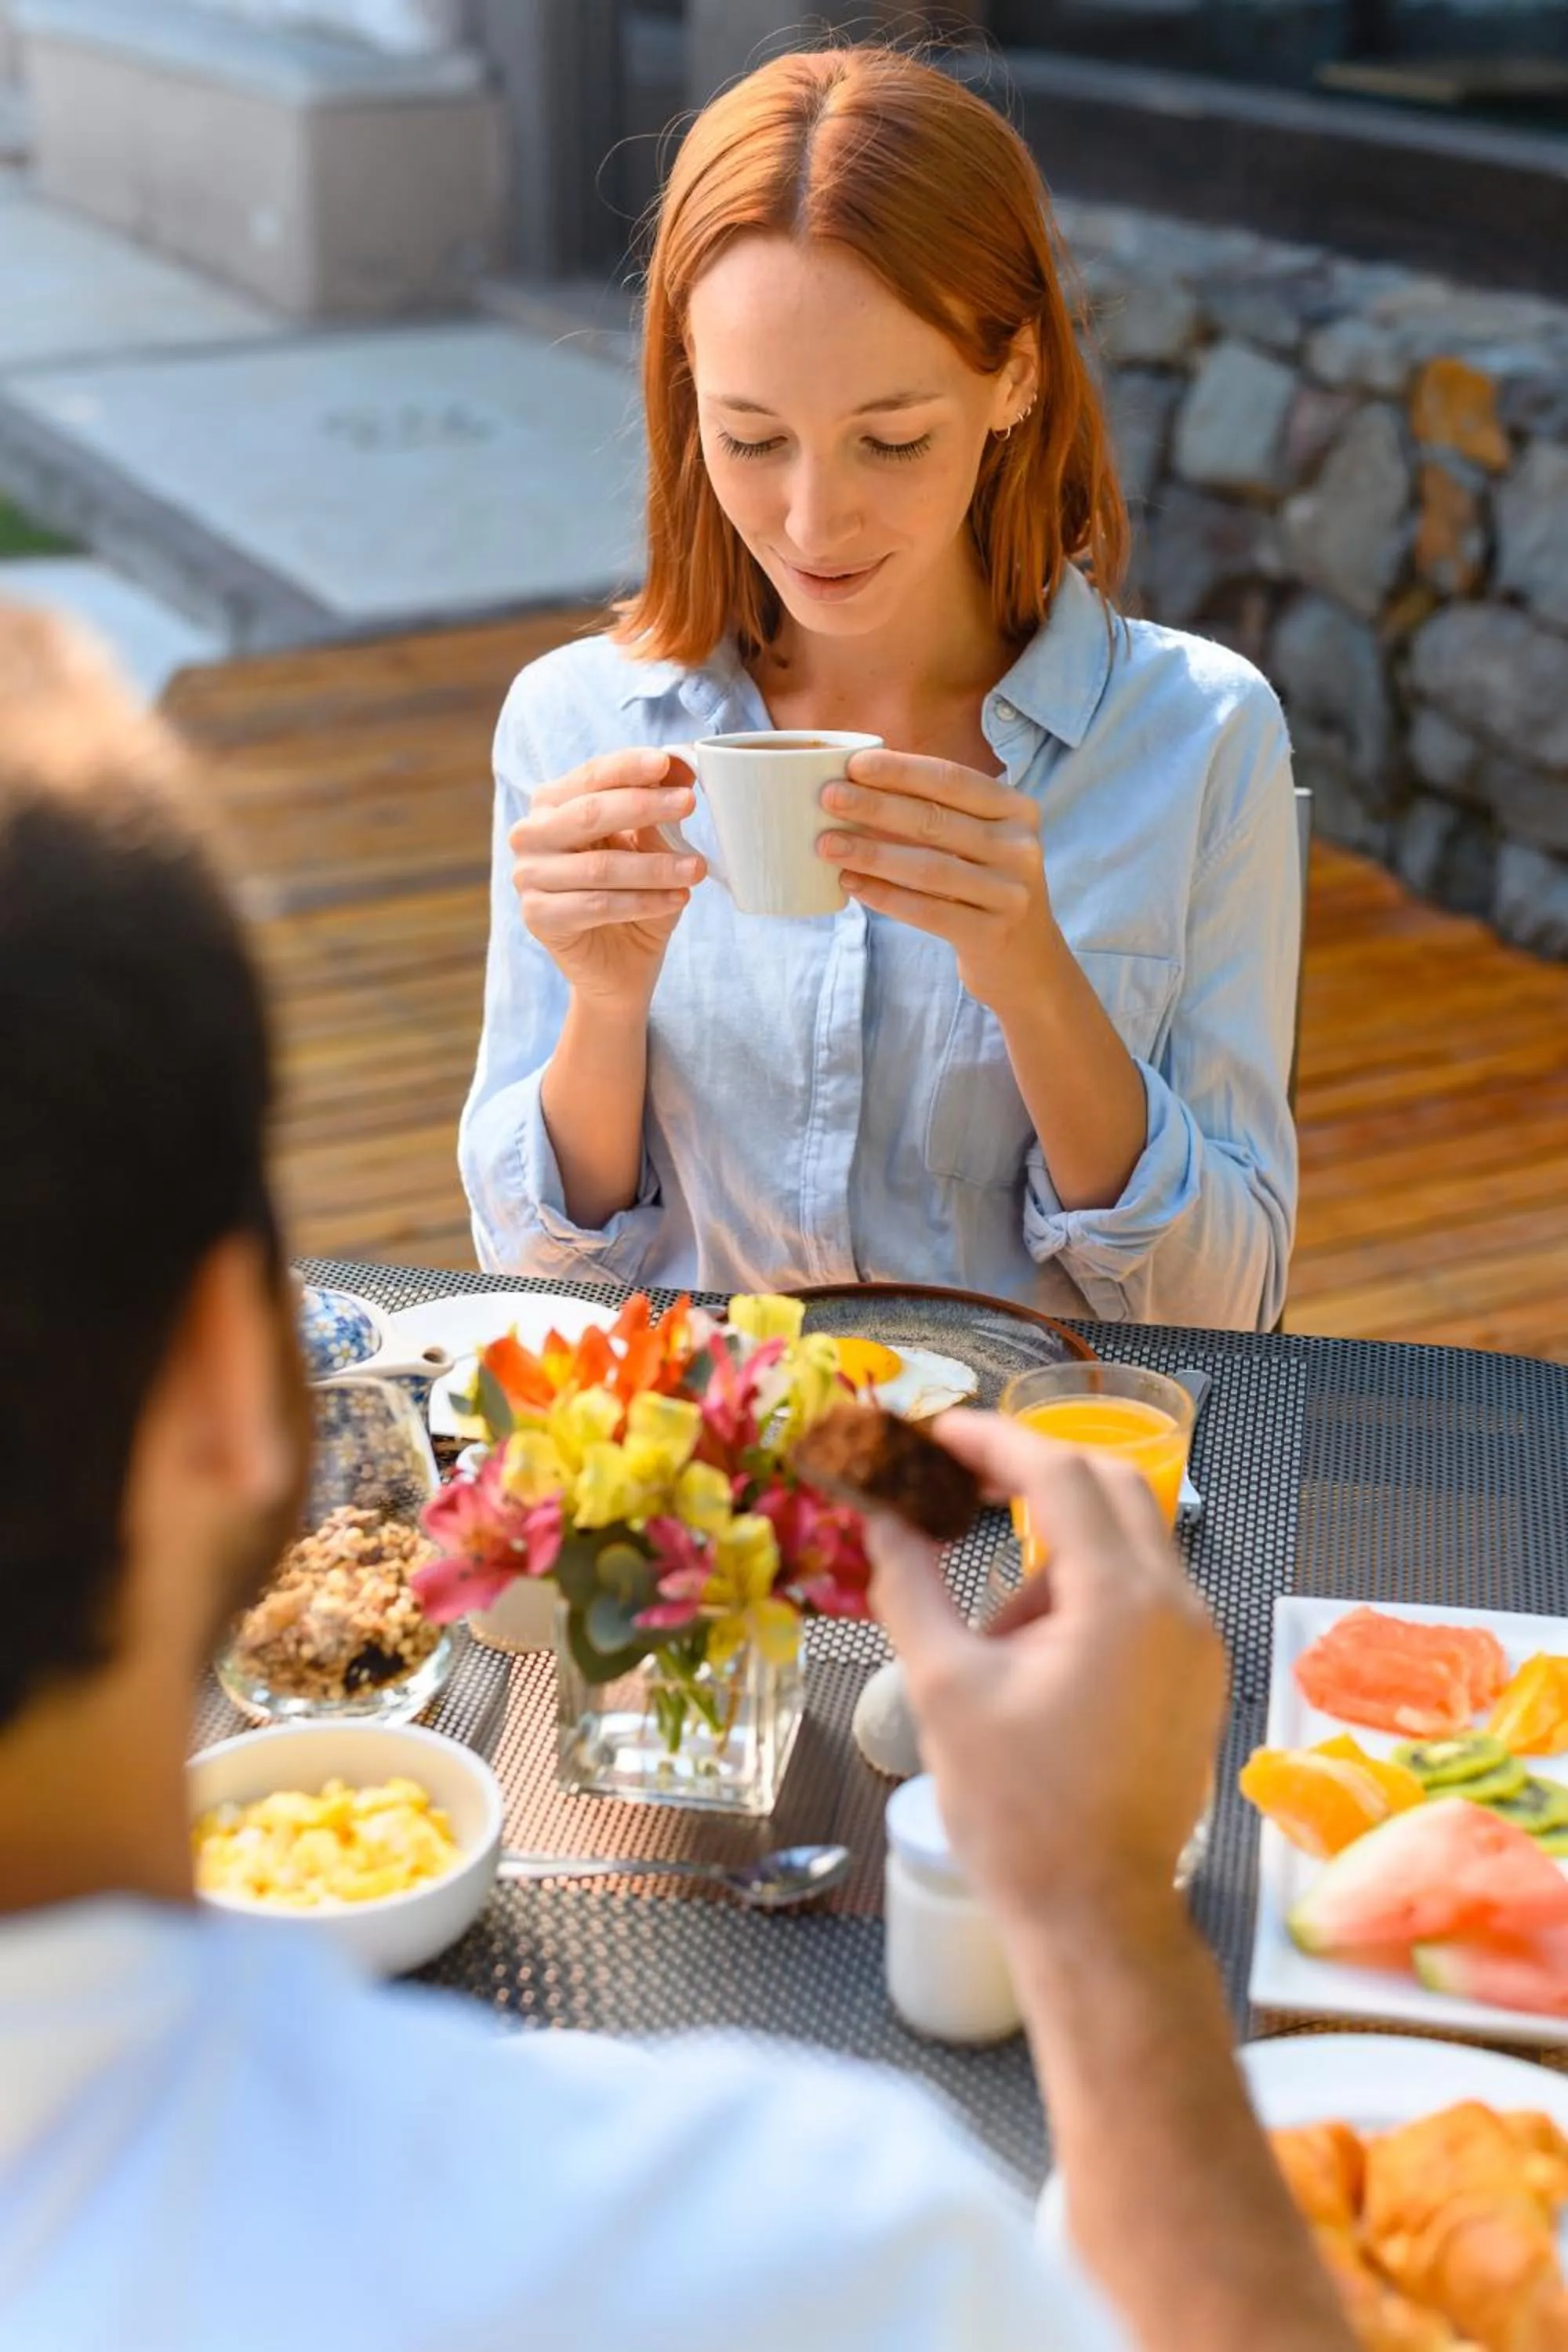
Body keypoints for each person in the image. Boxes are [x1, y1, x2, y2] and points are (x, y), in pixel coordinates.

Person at [0, 606, 1352, 2352]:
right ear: (229, 1385)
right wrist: (1100, 1918)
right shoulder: (781, 2245)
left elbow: (1220, 1281)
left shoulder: (1194, 736)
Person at [460, 45, 1300, 1332]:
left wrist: (1031, 978)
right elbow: (531, 1285)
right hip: (714, 1499)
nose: (811, 519)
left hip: (1038, 1490)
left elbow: (1228, 1308)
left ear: (1016, 374)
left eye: (891, 440)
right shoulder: (577, 725)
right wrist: (608, 1003)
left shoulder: (1200, 737)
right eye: (750, 438)